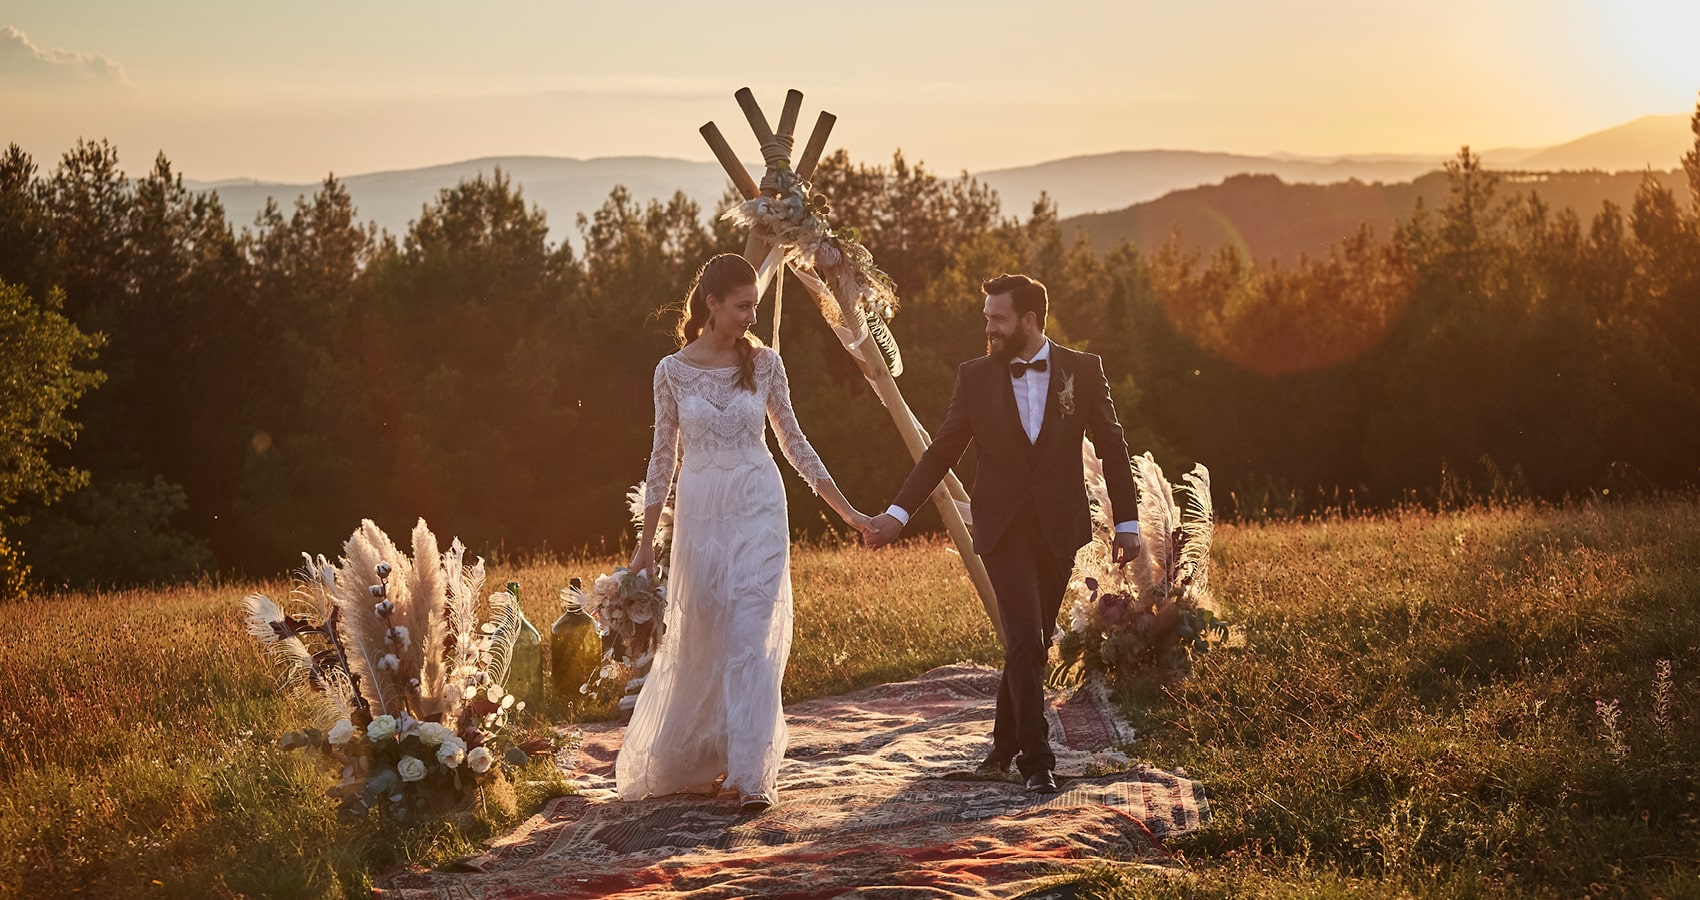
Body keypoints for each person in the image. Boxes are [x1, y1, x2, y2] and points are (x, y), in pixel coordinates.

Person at [864, 273, 1142, 794]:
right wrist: (897, 515)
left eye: (998, 319)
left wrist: (1127, 522)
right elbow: (942, 450)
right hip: (1000, 527)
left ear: (1030, 320)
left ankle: (1001, 746)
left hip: (1059, 527)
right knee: (1024, 640)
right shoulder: (975, 377)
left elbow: (1112, 445)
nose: (988, 327)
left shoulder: (1082, 370)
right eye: (987, 317)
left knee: (1031, 642)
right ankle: (1037, 760)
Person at [619, 253, 871, 814]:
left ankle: (750, 772)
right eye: (742, 306)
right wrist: (642, 549)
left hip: (759, 504)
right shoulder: (671, 371)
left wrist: (850, 513)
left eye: (756, 304)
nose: (751, 316)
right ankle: (707, 756)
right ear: (711, 304)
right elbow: (662, 459)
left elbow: (795, 443)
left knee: (750, 636)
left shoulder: (766, 365)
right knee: (706, 634)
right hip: (702, 513)